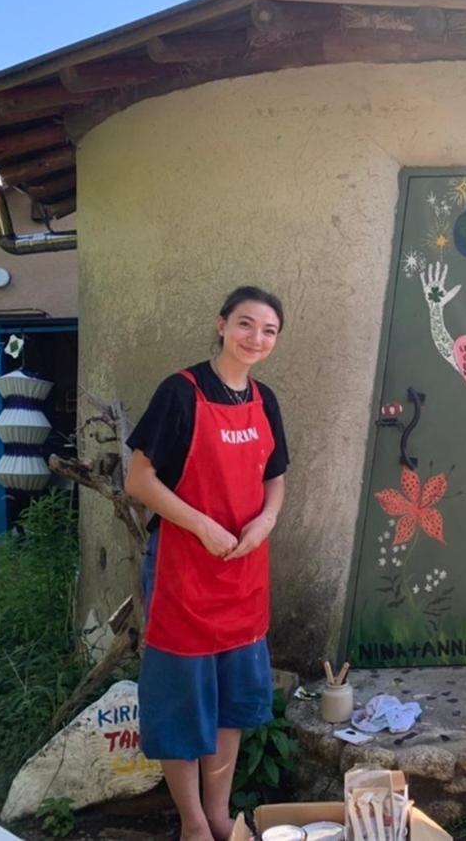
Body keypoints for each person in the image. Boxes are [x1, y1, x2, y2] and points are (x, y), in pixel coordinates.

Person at [124, 286, 290, 841]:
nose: (255, 339)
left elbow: (275, 477)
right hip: (183, 570)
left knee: (232, 701)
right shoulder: (181, 391)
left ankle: (221, 815)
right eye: (246, 324)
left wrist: (265, 522)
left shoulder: (265, 401)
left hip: (243, 572)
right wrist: (201, 524)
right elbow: (139, 480)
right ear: (221, 325)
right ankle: (193, 825)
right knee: (181, 702)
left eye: (268, 331)